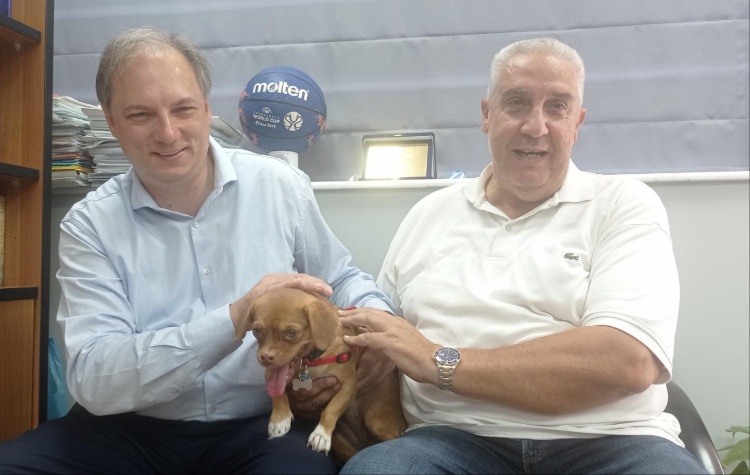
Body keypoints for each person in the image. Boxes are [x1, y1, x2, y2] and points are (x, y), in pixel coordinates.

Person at [0, 27, 394, 474]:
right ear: (110, 121)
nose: (168, 133)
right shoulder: (89, 225)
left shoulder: (279, 186)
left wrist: (380, 326)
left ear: (207, 108)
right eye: (140, 115)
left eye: (183, 109)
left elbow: (339, 279)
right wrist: (233, 319)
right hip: (127, 428)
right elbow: (95, 376)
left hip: (263, 423)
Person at [338, 37, 707, 474]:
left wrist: (438, 360)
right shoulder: (427, 214)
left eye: (557, 107)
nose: (536, 126)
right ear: (486, 115)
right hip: (447, 440)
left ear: (577, 122)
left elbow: (627, 361)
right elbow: (387, 352)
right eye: (516, 103)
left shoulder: (623, 204)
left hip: (612, 441)